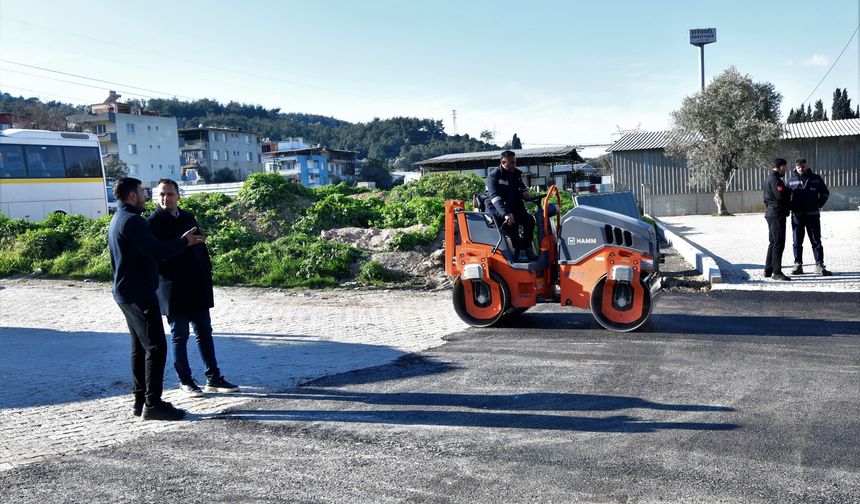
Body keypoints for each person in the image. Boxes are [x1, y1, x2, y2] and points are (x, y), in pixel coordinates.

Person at [108, 177, 205, 421]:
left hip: (126, 293)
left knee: (140, 348)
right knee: (155, 347)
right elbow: (158, 252)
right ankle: (153, 403)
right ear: (132, 196)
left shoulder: (119, 218)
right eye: (142, 192)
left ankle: (141, 401)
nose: (145, 196)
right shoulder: (133, 222)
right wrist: (184, 241)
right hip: (139, 294)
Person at [148, 179, 239, 396]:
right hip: (173, 288)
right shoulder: (152, 223)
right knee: (179, 335)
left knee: (204, 332)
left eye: (170, 194)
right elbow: (157, 256)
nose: (165, 198)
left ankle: (214, 377)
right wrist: (181, 243)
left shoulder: (188, 217)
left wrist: (206, 271)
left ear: (178, 195)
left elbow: (199, 246)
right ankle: (185, 381)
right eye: (162, 194)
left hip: (196, 285)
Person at [486, 150, 539, 261]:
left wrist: (526, 194)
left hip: (514, 208)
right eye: (511, 163)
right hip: (499, 210)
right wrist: (505, 213)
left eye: (515, 162)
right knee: (511, 223)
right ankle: (518, 251)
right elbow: (495, 197)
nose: (514, 165)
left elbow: (522, 189)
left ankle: (527, 247)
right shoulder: (493, 177)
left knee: (529, 220)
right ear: (503, 162)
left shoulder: (516, 174)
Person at [787, 159, 832, 276]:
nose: (801, 168)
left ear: (807, 166)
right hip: (797, 216)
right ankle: (798, 265)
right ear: (795, 167)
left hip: (813, 216)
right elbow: (786, 197)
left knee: (816, 241)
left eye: (802, 166)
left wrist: (818, 204)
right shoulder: (791, 180)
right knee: (797, 242)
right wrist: (791, 206)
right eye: (798, 167)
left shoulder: (816, 178)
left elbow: (825, 193)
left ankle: (819, 265)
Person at [762, 158, 792, 281]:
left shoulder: (769, 178)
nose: (785, 170)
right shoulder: (776, 180)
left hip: (771, 213)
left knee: (773, 242)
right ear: (780, 167)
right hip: (776, 214)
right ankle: (777, 272)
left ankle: (768, 270)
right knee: (778, 243)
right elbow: (780, 196)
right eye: (785, 167)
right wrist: (789, 191)